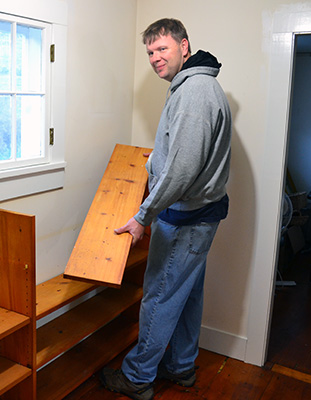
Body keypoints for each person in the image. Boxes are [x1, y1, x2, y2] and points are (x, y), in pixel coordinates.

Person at [100, 18, 232, 400]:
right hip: (201, 215)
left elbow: (183, 168)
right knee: (187, 294)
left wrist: (144, 215)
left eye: (163, 49)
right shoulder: (196, 87)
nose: (156, 58)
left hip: (187, 217)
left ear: (184, 47)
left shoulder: (194, 93)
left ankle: (138, 377)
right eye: (150, 52)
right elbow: (179, 153)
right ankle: (182, 366)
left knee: (159, 296)